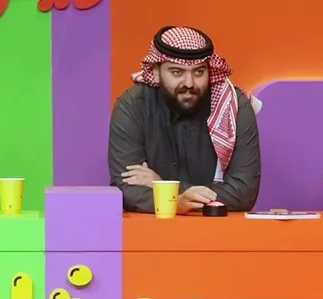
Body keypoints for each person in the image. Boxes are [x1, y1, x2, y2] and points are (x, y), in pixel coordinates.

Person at [108, 26, 262, 214]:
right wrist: (177, 202)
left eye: (198, 72)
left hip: (217, 228)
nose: (189, 83)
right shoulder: (132, 105)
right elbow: (125, 188)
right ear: (155, 72)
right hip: (153, 228)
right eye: (177, 72)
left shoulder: (233, 106)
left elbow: (243, 193)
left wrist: (166, 190)